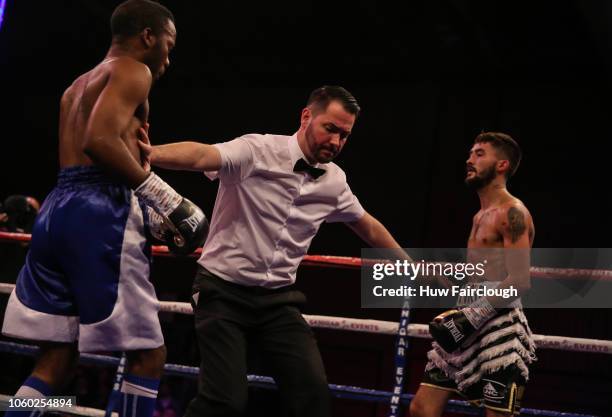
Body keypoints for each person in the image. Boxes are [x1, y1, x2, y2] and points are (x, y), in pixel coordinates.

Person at [139, 86, 408, 417]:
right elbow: (202, 155)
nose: (336, 143)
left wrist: (410, 266)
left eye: (345, 136)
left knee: (314, 399)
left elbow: (366, 225)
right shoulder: (257, 150)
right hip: (222, 291)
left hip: (278, 301)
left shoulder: (335, 181)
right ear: (306, 117)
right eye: (331, 129)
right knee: (224, 403)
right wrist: (147, 154)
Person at [1, 2, 208, 417]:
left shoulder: (76, 86)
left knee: (57, 362)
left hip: (58, 209)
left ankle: (18, 412)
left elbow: (89, 153)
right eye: (168, 45)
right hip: (101, 212)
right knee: (149, 355)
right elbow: (99, 140)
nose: (168, 58)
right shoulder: (134, 70)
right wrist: (162, 197)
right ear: (147, 36)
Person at [410, 132, 537, 417]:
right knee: (422, 409)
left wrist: (472, 316)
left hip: (498, 323)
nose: (469, 160)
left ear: (501, 165)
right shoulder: (479, 215)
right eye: (470, 153)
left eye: (479, 154)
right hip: (467, 317)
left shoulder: (513, 212)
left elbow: (519, 280)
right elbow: (483, 270)